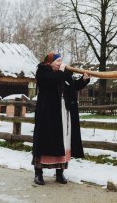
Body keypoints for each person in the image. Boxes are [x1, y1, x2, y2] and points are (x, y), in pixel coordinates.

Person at [32, 52, 90, 185]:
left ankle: (60, 173)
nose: (60, 63)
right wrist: (62, 72)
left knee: (63, 143)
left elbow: (73, 86)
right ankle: (38, 173)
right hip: (48, 115)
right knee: (45, 142)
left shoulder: (63, 75)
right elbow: (51, 81)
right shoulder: (42, 72)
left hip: (64, 115)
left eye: (60, 61)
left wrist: (84, 80)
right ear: (50, 62)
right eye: (58, 61)